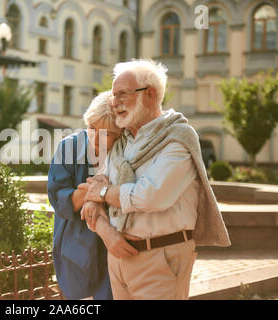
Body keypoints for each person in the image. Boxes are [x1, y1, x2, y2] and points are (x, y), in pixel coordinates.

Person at [81, 59, 231, 300]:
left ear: (149, 94)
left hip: (160, 256)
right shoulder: (122, 141)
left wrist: (102, 194)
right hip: (118, 255)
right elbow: (91, 196)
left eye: (122, 95)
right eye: (113, 95)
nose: (114, 103)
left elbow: (150, 196)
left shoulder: (178, 137)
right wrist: (105, 230)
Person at [47, 91, 123, 300]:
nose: (95, 137)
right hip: (77, 243)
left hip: (116, 243)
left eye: (105, 133)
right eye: (91, 128)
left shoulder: (125, 150)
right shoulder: (69, 146)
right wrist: (92, 192)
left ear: (119, 133)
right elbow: (58, 198)